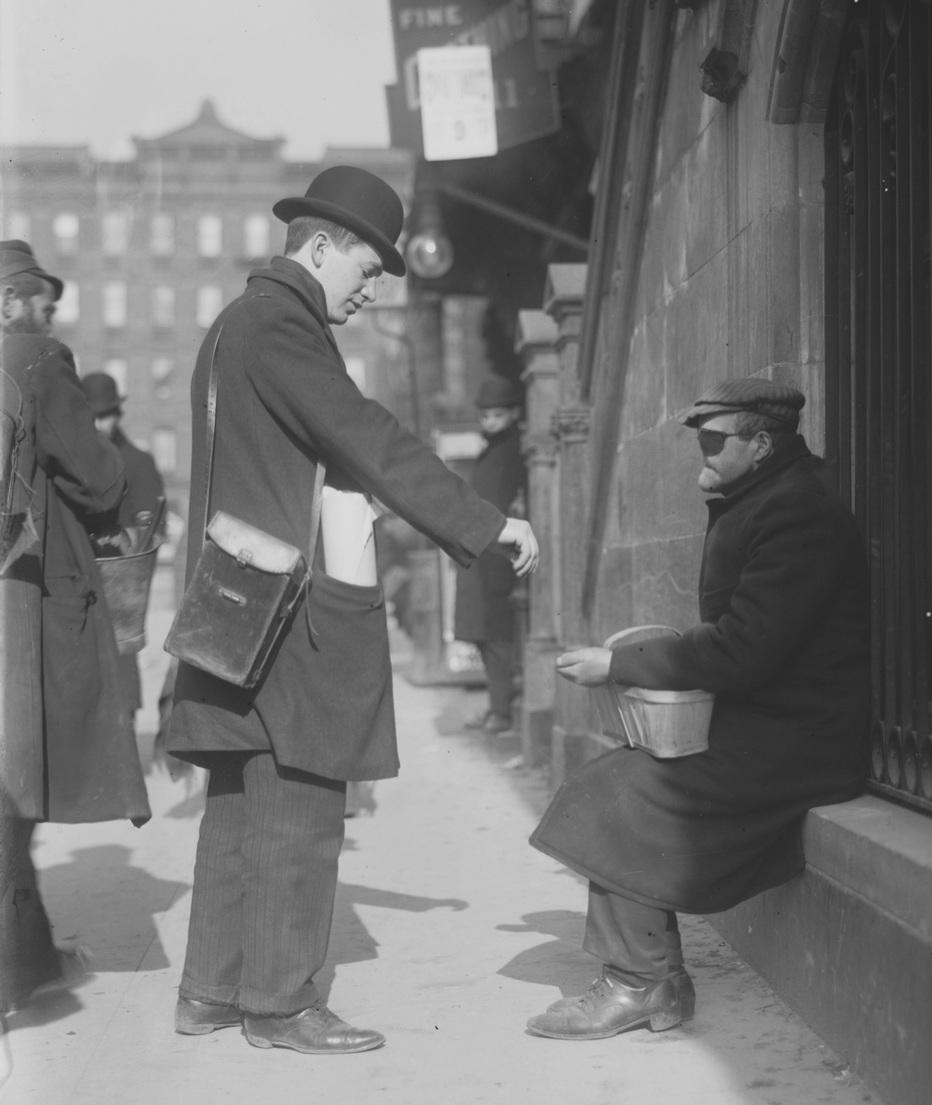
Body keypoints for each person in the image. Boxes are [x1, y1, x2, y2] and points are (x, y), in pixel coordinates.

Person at [165, 166, 538, 1055]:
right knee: (303, 789)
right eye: (367, 268)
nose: (372, 290)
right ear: (320, 246)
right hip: (289, 606)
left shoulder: (233, 324)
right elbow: (367, 436)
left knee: (237, 797)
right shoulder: (284, 325)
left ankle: (212, 991)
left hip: (232, 598)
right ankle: (283, 1004)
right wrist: (482, 523)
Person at [526, 376, 869, 1040]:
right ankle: (653, 977)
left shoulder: (798, 511)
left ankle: (640, 982)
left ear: (761, 443)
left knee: (619, 794)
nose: (702, 456)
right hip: (771, 722)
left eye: (715, 441)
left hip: (802, 738)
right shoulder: (769, 496)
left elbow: (744, 649)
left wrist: (618, 664)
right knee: (615, 782)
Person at [0, 241, 151, 1014]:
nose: (50, 318)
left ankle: (27, 960)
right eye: (42, 303)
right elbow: (99, 478)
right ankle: (18, 967)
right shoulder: (36, 358)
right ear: (11, 303)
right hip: (27, 598)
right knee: (16, 779)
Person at [80, 371, 165, 732]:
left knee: (120, 686)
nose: (101, 424)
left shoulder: (138, 462)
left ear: (119, 413)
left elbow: (148, 537)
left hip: (120, 593)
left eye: (107, 415)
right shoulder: (76, 461)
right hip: (82, 591)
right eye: (94, 417)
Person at [454, 374, 527, 735]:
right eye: (485, 416)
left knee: (497, 636)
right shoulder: (493, 451)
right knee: (484, 635)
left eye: (497, 415)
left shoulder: (511, 451)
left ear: (513, 413)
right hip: (482, 554)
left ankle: (503, 711)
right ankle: (497, 707)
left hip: (497, 556)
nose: (489, 422)